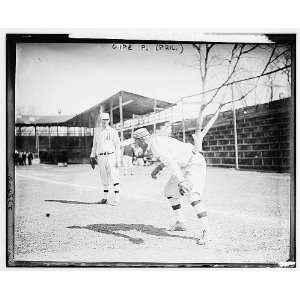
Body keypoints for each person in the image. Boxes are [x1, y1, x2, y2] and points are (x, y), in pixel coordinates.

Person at [132, 127, 208, 245]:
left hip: (194, 163)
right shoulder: (156, 141)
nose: (135, 144)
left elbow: (171, 162)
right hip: (182, 164)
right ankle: (180, 223)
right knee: (170, 191)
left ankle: (206, 231)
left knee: (192, 196)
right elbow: (172, 156)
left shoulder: (155, 145)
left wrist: (182, 181)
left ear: (141, 140)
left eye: (136, 141)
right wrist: (160, 167)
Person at [90, 112, 121, 206]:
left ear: (109, 120)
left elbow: (117, 146)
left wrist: (117, 159)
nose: (104, 121)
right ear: (100, 120)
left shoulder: (113, 131)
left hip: (110, 156)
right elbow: (94, 145)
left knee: (113, 176)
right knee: (103, 176)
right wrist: (92, 156)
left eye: (106, 120)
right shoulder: (97, 131)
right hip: (100, 156)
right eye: (103, 120)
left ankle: (116, 199)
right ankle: (105, 198)